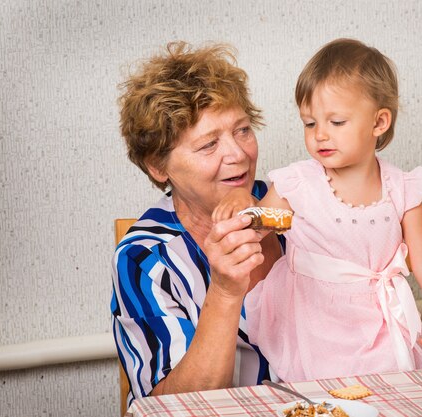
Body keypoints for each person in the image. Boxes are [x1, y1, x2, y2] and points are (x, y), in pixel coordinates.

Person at [215, 38, 422, 383]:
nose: (320, 135)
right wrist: (243, 207)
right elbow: (260, 224)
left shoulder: (401, 188)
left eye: (336, 122)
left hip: (380, 325)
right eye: (309, 123)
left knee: (390, 396)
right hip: (315, 326)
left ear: (379, 123)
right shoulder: (298, 185)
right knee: (326, 400)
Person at [110, 41, 283, 407]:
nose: (238, 154)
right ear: (158, 166)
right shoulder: (145, 258)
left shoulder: (293, 205)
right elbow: (171, 406)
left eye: (242, 130)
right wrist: (223, 292)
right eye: (208, 145)